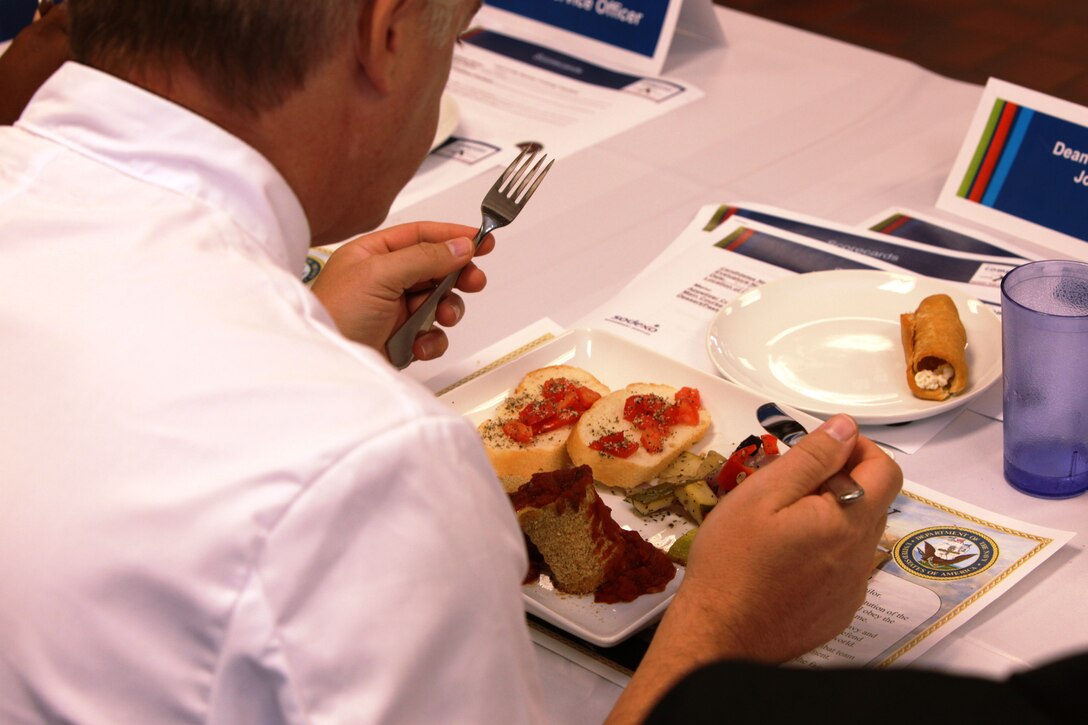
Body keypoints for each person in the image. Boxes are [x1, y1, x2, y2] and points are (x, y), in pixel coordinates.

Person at [0, 1, 902, 723]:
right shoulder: (371, 466)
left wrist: (304, 336)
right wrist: (720, 637)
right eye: (457, 36)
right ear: (383, 34)